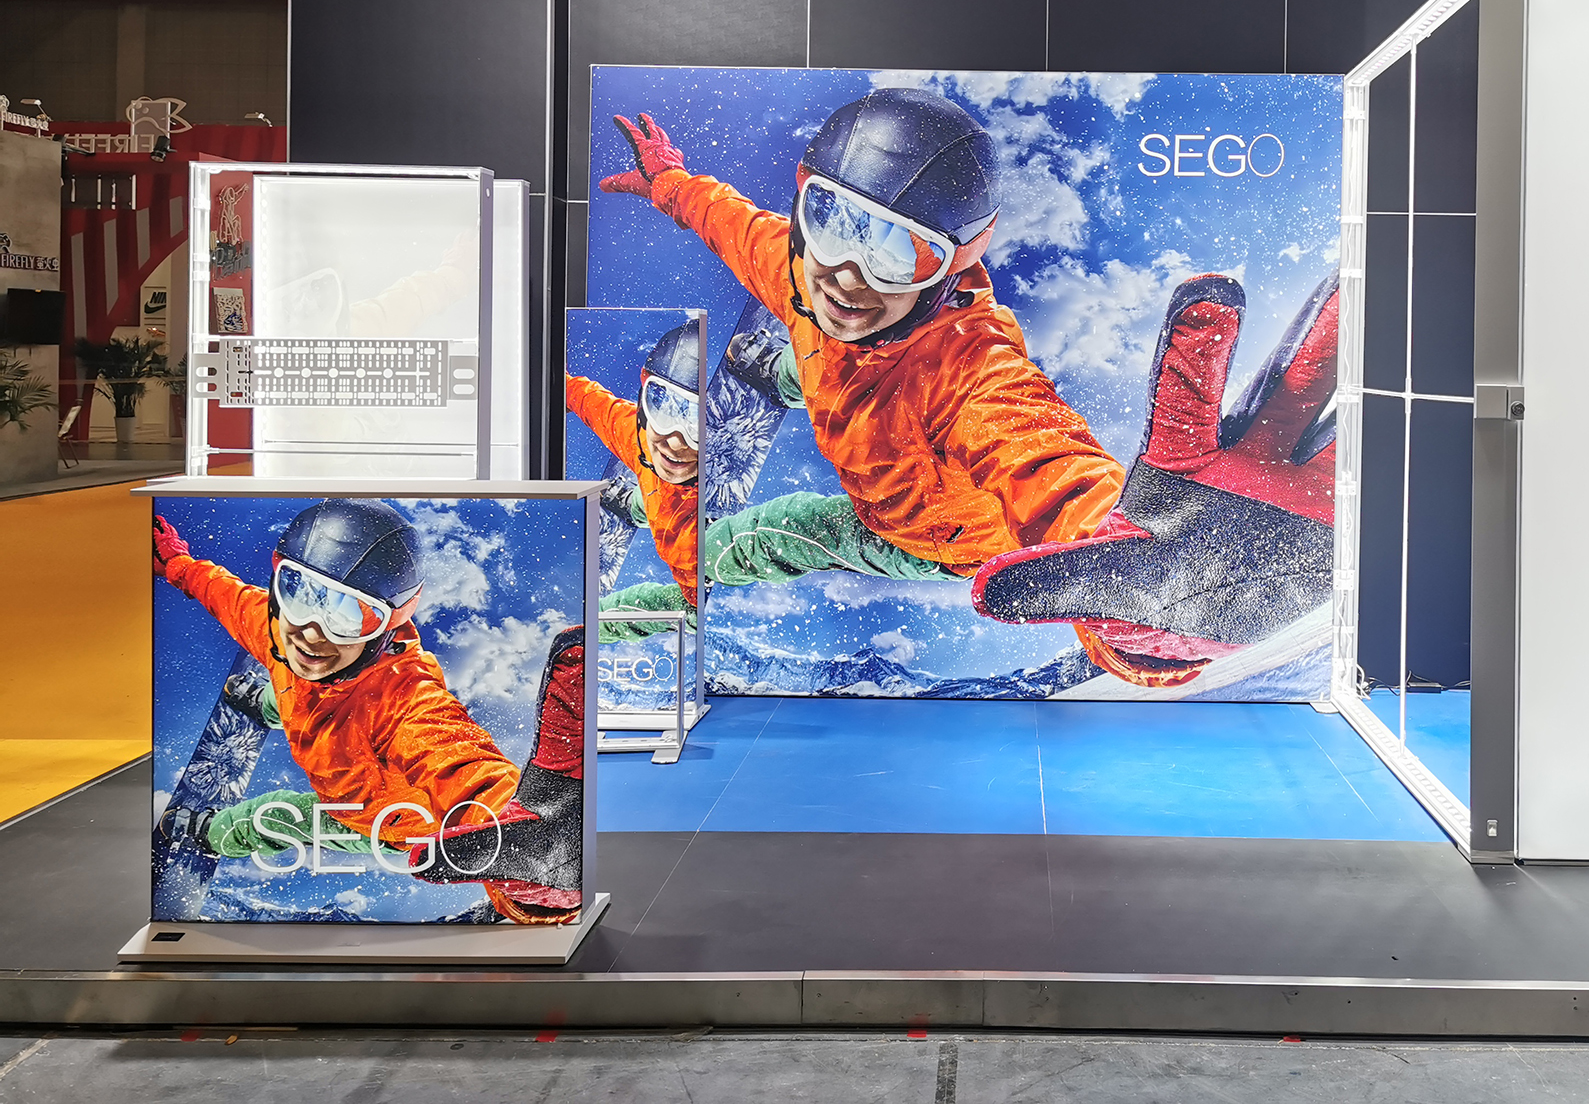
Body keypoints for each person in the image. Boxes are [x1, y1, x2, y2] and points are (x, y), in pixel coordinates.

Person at [599, 86, 1125, 590]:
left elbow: (1045, 463)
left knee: (774, 533)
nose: (848, 277)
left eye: (901, 254)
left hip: (922, 539)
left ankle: (713, 556)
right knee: (819, 356)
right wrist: (669, 182)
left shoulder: (966, 374)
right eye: (834, 221)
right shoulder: (802, 269)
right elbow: (731, 223)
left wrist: (1122, 573)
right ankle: (779, 372)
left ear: (947, 272)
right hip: (842, 381)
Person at [151, 498, 585, 924]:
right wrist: (175, 562)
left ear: (386, 626)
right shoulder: (276, 625)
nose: (311, 633)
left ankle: (208, 832)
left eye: (350, 615)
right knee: (294, 692)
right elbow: (223, 593)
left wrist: (539, 850)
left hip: (372, 819)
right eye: (298, 589)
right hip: (317, 722)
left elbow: (459, 761)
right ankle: (267, 703)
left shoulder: (402, 702)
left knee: (277, 815)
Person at [565, 318, 703, 616]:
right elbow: (593, 403)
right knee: (659, 493)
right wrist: (561, 386)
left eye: (698, 423)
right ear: (643, 387)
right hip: (660, 506)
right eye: (661, 404)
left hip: (695, 593)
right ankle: (634, 504)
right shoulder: (639, 437)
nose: (675, 441)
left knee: (623, 611)